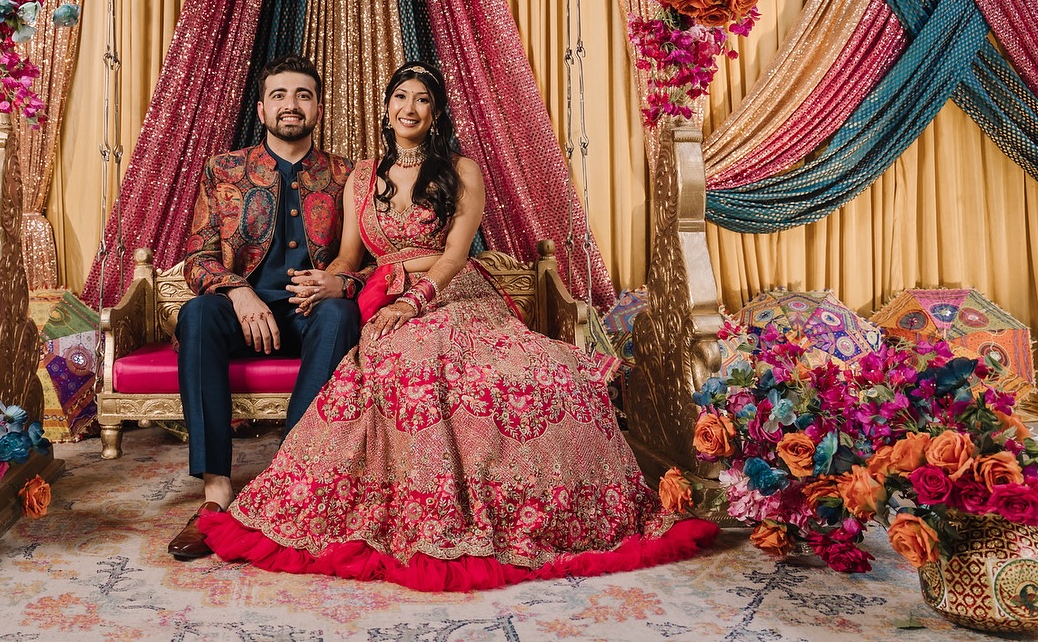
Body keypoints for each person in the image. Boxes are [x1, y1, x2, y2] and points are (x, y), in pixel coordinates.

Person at [198, 61, 718, 590]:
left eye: (422, 99)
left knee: (545, 373)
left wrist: (415, 299)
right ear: (385, 107)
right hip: (386, 295)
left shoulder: (462, 170)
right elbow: (349, 258)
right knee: (406, 370)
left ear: (436, 111)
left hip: (453, 292)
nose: (409, 107)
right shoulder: (361, 176)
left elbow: (452, 254)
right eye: (400, 97)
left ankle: (545, 506)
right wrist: (328, 283)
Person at [167, 54, 364, 561]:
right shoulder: (224, 169)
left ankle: (285, 479)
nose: (291, 105)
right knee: (197, 314)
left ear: (319, 107)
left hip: (315, 312)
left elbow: (376, 254)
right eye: (279, 95)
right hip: (246, 309)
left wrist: (339, 283)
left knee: (341, 315)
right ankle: (215, 494)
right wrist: (236, 289)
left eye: (302, 95)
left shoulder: (349, 174)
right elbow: (197, 255)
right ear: (261, 108)